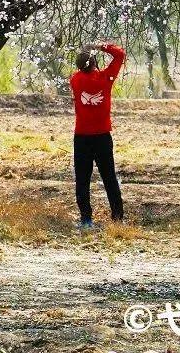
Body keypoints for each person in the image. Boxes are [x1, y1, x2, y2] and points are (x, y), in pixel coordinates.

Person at [69, 41, 126, 229]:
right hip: (102, 137)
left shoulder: (75, 80)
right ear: (95, 63)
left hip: (82, 138)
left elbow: (83, 64)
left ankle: (86, 220)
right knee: (109, 177)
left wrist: (85, 51)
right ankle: (117, 218)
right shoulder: (105, 78)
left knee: (83, 180)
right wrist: (99, 46)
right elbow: (119, 54)